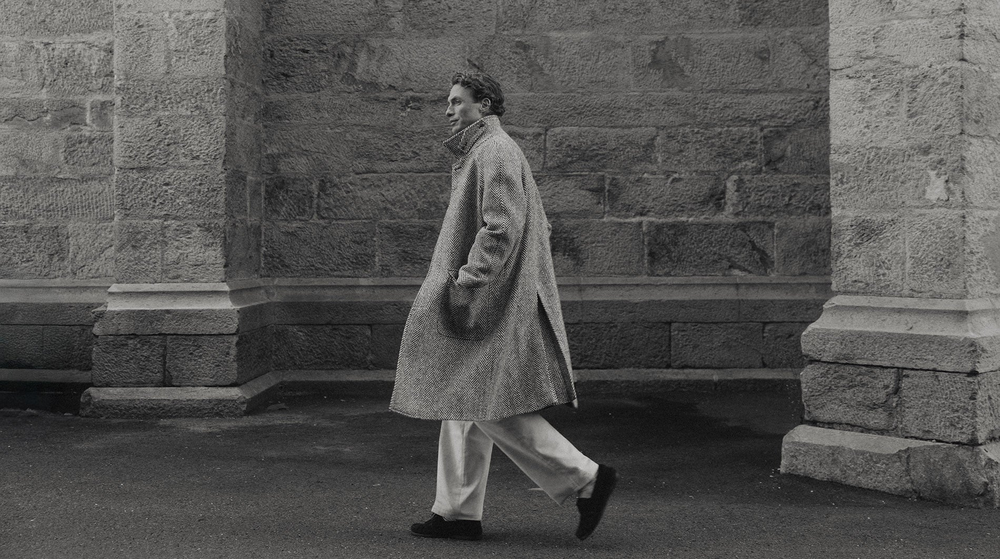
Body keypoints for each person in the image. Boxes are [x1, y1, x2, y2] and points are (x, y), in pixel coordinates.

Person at [389, 71, 617, 541]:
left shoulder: (494, 150)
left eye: (457, 102)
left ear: (485, 104)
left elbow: (500, 227)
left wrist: (469, 282)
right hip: (493, 295)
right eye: (448, 102)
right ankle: (456, 512)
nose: (448, 110)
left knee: (485, 398)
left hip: (490, 298)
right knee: (462, 393)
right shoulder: (484, 151)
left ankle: (585, 479)